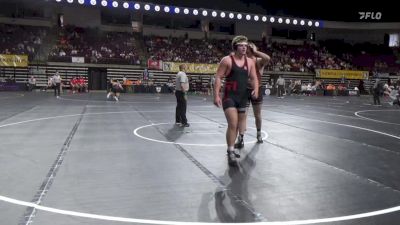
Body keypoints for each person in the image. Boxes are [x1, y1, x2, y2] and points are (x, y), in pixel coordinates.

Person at [214, 35, 259, 166]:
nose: (244, 47)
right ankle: (230, 151)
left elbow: (254, 77)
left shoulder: (250, 62)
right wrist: (216, 95)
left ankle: (233, 148)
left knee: (239, 125)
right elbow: (218, 77)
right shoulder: (227, 60)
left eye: (246, 45)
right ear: (235, 46)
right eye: (241, 45)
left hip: (243, 97)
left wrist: (256, 89)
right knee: (233, 124)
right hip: (229, 96)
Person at [235, 42, 270, 149]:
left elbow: (267, 58)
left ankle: (258, 134)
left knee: (257, 114)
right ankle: (241, 138)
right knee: (242, 115)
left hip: (256, 89)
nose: (247, 49)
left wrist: (255, 52)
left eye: (249, 48)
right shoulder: (242, 60)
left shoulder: (258, 61)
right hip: (244, 90)